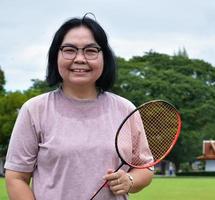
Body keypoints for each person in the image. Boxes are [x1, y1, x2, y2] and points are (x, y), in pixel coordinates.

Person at [4, 14, 153, 200]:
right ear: (55, 55)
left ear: (104, 57)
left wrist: (129, 180)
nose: (80, 59)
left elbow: (145, 167)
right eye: (69, 50)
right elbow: (16, 178)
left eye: (91, 51)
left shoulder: (125, 109)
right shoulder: (34, 110)